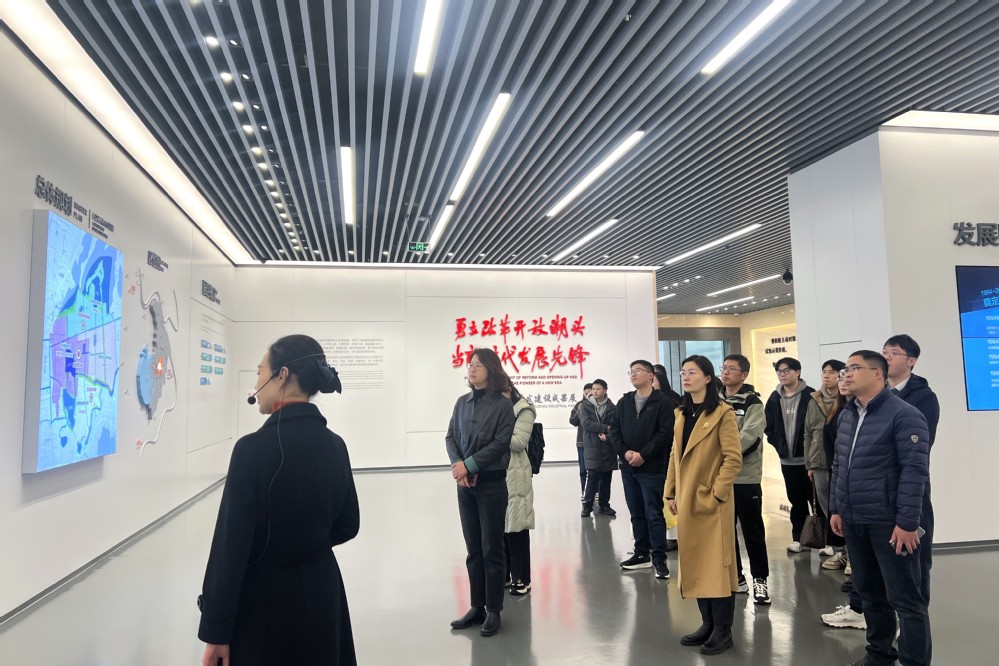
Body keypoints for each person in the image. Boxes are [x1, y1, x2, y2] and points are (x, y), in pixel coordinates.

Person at [198, 335, 358, 666]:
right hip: (322, 592)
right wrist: (307, 544)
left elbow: (230, 549)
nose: (257, 383)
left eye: (260, 371)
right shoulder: (336, 445)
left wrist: (216, 631)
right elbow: (348, 524)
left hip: (264, 602)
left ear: (281, 375)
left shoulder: (250, 450)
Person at [829, 350, 930, 666]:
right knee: (871, 595)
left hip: (889, 523)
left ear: (877, 373)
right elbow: (839, 464)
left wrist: (907, 522)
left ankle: (914, 661)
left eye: (854, 368)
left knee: (906, 600)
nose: (846, 374)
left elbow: (914, 472)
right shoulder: (848, 414)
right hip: (855, 519)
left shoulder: (905, 415)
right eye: (845, 369)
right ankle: (879, 654)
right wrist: (836, 508)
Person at [665, 355, 743, 656]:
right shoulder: (682, 413)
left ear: (708, 378)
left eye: (693, 372)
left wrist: (716, 494)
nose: (686, 377)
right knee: (696, 563)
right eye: (683, 372)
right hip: (686, 501)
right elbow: (675, 455)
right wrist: (670, 492)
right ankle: (707, 624)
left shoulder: (722, 413)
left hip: (711, 503)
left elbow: (733, 459)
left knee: (717, 567)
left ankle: (723, 631)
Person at [446, 348, 516, 637]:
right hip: (465, 486)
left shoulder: (503, 405)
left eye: (478, 364)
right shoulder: (461, 403)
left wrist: (469, 465)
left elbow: (500, 443)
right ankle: (476, 606)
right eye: (470, 364)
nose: (472, 369)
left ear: (491, 369)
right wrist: (458, 466)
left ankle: (494, 610)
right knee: (473, 549)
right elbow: (450, 437)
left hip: (491, 485)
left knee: (491, 549)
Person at [883, 334, 939, 605]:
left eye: (893, 353)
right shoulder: (876, 394)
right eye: (884, 351)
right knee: (880, 560)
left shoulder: (923, 397)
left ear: (911, 361)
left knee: (915, 559)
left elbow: (918, 448)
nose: (886, 357)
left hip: (910, 489)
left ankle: (916, 615)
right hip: (877, 490)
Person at [610, 360, 675, 581]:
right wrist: (625, 453)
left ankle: (659, 559)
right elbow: (614, 430)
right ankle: (641, 554)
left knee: (653, 514)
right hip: (628, 467)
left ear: (650, 375)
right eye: (631, 371)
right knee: (636, 512)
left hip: (652, 468)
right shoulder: (624, 402)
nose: (634, 374)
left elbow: (665, 434)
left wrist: (643, 455)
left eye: (638, 370)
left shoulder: (663, 403)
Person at [719, 354, 770, 605]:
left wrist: (723, 455)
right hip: (719, 478)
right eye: (723, 368)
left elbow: (750, 436)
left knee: (752, 531)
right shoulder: (714, 400)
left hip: (745, 478)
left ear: (744, 374)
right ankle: (736, 577)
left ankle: (760, 580)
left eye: (731, 369)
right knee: (725, 532)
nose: (726, 372)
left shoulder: (752, 402)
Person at [764, 357, 814, 553]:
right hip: (787, 460)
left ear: (797, 372)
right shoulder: (774, 398)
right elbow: (768, 426)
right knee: (796, 500)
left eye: (786, 370)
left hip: (809, 461)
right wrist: (779, 445)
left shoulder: (811, 395)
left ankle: (827, 541)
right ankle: (799, 539)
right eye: (779, 371)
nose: (782, 374)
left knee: (817, 501)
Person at [803, 359, 848, 568]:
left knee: (844, 506)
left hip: (841, 462)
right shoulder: (814, 399)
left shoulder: (847, 400)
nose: (827, 375)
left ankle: (851, 552)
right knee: (827, 507)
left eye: (832, 372)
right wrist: (809, 463)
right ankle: (839, 550)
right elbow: (808, 433)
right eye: (824, 372)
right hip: (819, 460)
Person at [504, 385, 536, 596]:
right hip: (498, 474)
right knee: (501, 529)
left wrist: (494, 430)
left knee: (517, 528)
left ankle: (522, 578)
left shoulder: (523, 409)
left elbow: (518, 442)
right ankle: (506, 574)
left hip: (516, 474)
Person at [579, 379, 617, 518]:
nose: (595, 392)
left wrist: (608, 435)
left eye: (598, 389)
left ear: (605, 390)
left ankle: (604, 505)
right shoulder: (585, 406)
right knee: (592, 478)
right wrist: (605, 428)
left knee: (606, 478)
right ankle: (587, 507)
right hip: (592, 446)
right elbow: (586, 424)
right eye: (593, 389)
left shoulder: (612, 407)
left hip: (607, 447)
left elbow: (615, 427)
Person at [569, 383, 594, 499]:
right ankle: (583, 490)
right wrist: (579, 411)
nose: (588, 395)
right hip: (581, 442)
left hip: (594, 442)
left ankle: (596, 491)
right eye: (586, 393)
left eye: (590, 392)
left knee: (594, 469)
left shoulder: (597, 405)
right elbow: (573, 422)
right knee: (583, 469)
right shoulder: (579, 405)